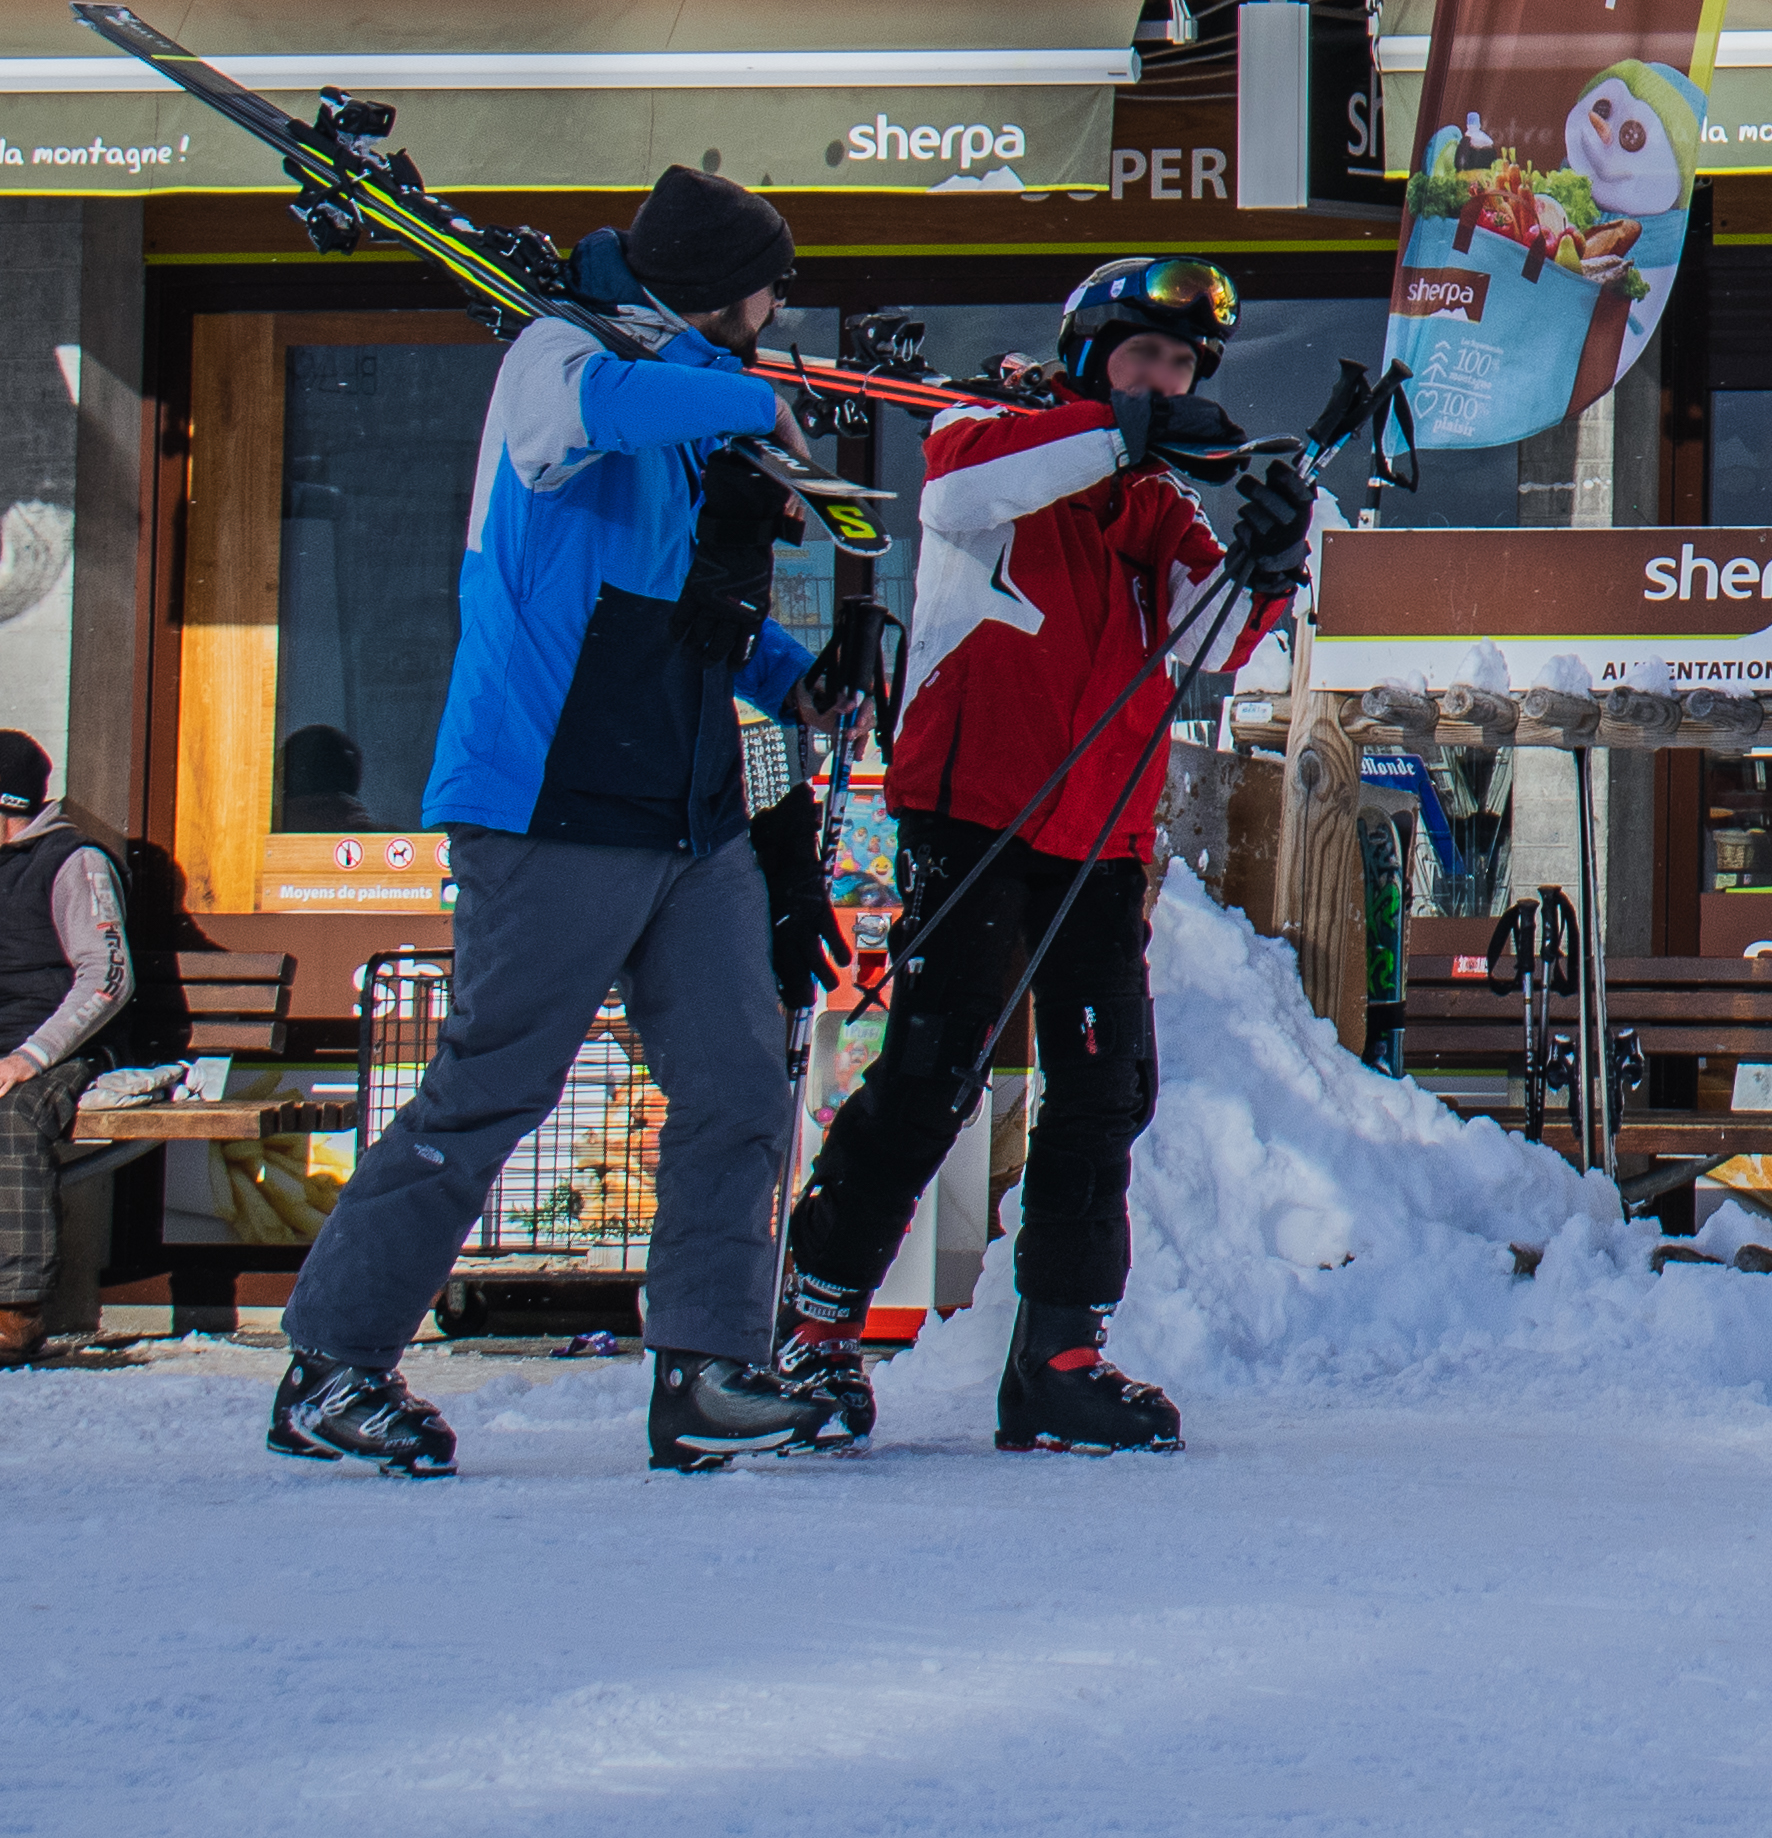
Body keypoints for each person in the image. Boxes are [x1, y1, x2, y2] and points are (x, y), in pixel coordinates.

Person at [272, 167, 855, 1477]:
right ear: (715, 287)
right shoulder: (561, 351)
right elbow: (576, 426)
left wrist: (791, 675)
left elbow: (678, 604)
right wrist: (765, 396)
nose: (774, 312)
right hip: (548, 795)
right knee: (494, 1085)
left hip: (684, 808)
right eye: (767, 287)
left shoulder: (693, 405)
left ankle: (707, 1370)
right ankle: (333, 1364)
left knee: (739, 1087)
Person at [777, 256, 1312, 1455]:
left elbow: (1210, 635)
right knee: (933, 1072)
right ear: (1091, 352)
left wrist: (1269, 559)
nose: (1164, 382)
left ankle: (1061, 1352)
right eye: (1144, 358)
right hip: (973, 808)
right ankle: (816, 1329)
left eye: (1180, 367)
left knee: (1107, 1089)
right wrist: (1125, 431)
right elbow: (965, 501)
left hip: (1102, 834)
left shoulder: (1155, 505)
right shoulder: (991, 434)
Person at [0, 735, 129, 1369]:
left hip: (62, 1051)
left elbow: (107, 977)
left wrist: (29, 1057)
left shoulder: (73, 863)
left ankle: (14, 1313)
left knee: (10, 1118)